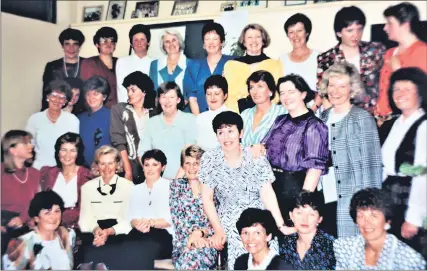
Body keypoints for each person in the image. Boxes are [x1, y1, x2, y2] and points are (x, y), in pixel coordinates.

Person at [199, 111, 294, 270]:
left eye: (231, 131)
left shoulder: (255, 157)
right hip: (229, 216)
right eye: (221, 132)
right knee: (242, 247)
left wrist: (280, 224)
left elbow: (267, 194)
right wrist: (218, 230)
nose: (226, 137)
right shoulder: (210, 159)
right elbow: (207, 198)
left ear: (240, 133)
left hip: (258, 213)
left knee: (268, 244)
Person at [252, 74, 328, 228]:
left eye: (291, 92)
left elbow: (314, 170)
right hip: (271, 188)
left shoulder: (314, 126)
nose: (286, 97)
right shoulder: (280, 120)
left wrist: (302, 206)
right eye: (282, 93)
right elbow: (264, 146)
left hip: (295, 190)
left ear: (303, 94)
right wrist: (258, 148)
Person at [318, 62, 382, 238]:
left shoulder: (362, 119)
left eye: (342, 86)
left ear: (351, 90)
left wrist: (370, 209)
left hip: (352, 199)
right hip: (325, 196)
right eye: (332, 85)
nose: (335, 91)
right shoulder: (322, 117)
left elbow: (373, 166)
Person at [379, 67, 427, 258]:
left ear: (420, 92)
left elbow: (422, 174)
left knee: (412, 256)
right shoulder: (393, 123)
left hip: (412, 201)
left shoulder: (424, 125)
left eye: (407, 89)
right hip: (390, 199)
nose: (400, 94)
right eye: (396, 89)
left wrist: (413, 218)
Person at [317, 6, 386, 115]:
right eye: (350, 30)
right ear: (339, 33)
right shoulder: (327, 59)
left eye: (359, 29)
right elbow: (324, 93)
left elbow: (385, 82)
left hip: (375, 115)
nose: (356, 35)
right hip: (345, 117)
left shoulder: (376, 51)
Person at [334, 188, 426, 270]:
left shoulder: (409, 259)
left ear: (387, 221)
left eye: (373, 215)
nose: (366, 222)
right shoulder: (344, 247)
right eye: (361, 215)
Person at [78, 145, 134, 267]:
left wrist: (110, 231)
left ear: (118, 165)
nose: (107, 168)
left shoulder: (128, 187)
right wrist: (96, 230)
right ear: (97, 166)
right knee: (87, 262)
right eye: (102, 164)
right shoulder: (87, 187)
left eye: (111, 163)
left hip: (118, 233)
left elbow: (129, 220)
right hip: (94, 232)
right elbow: (84, 219)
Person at [376, 2, 427, 123]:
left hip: (409, 120)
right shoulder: (389, 53)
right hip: (385, 121)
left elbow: (422, 93)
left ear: (405, 24)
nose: (385, 28)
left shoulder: (422, 52)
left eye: (389, 23)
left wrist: (399, 71)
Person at [170, 145, 217, 269]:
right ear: (183, 166)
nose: (191, 167)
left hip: (207, 242)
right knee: (188, 261)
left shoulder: (213, 188)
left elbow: (217, 221)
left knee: (191, 262)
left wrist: (201, 234)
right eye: (188, 163)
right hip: (183, 242)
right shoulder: (176, 186)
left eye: (196, 163)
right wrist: (192, 237)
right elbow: (177, 220)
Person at [2, 191, 76, 270]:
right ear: (36, 218)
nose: (54, 217)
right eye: (47, 213)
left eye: (57, 211)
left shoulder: (66, 235)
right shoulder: (24, 243)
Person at [137, 82, 196, 180]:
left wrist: (176, 181)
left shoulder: (189, 119)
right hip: (157, 181)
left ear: (178, 100)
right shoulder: (151, 123)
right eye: (163, 97)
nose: (167, 101)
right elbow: (142, 153)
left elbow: (190, 153)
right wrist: (153, 176)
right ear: (159, 100)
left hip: (184, 180)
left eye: (172, 97)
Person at [223, 24, 282, 113]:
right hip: (237, 117)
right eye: (249, 37)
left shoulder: (274, 65)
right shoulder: (231, 66)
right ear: (243, 41)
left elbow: (277, 95)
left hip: (267, 116)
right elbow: (228, 97)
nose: (254, 40)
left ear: (263, 41)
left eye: (258, 37)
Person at [111, 71, 157, 184]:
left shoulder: (155, 113)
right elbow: (118, 141)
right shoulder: (119, 110)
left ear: (144, 91)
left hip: (152, 169)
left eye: (133, 90)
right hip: (128, 166)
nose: (129, 93)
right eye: (127, 90)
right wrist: (128, 170)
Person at [127, 149, 173, 260]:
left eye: (154, 165)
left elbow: (170, 220)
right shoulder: (135, 189)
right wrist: (138, 224)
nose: (150, 169)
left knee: (146, 248)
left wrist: (150, 222)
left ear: (163, 167)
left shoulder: (171, 187)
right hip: (139, 232)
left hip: (163, 233)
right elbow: (131, 217)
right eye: (146, 165)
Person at [39, 132, 91, 229]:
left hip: (74, 228)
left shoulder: (87, 177)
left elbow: (85, 212)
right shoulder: (47, 173)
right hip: (46, 225)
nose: (67, 155)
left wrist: (57, 219)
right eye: (64, 150)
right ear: (58, 152)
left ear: (78, 153)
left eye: (72, 150)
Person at [26, 79, 79, 170]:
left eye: (62, 97)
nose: (57, 100)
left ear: (65, 101)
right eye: (54, 96)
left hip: (63, 170)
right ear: (47, 97)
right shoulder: (35, 119)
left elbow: (74, 148)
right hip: (39, 169)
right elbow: (27, 145)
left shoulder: (72, 120)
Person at [1, 130, 40, 255]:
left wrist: (24, 218)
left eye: (30, 142)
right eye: (26, 143)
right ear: (13, 150)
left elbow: (35, 204)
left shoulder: (35, 173)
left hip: (25, 223)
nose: (31, 146)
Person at [184, 22, 234, 115]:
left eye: (215, 39)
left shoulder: (232, 63)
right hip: (201, 117)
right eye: (207, 39)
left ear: (222, 42)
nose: (211, 43)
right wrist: (200, 120)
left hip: (228, 119)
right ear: (203, 43)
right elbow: (192, 98)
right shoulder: (193, 66)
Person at [279, 191, 335, 270]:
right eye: (299, 213)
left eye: (311, 214)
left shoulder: (331, 245)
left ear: (319, 219)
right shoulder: (286, 243)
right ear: (291, 215)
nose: (305, 219)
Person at [280, 13, 320, 111]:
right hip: (289, 113)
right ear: (287, 35)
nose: (295, 36)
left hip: (314, 112)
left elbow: (325, 89)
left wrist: (312, 110)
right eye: (291, 32)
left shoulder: (319, 58)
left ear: (306, 33)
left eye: (299, 31)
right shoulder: (281, 60)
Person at [41, 28, 85, 111]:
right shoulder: (52, 67)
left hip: (82, 114)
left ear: (79, 46)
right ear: (62, 46)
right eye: (67, 44)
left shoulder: (89, 64)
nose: (71, 48)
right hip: (57, 113)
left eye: (75, 44)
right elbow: (46, 95)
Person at [241, 71, 287, 147]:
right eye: (251, 87)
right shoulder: (245, 114)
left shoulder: (283, 112)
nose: (255, 92)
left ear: (271, 91)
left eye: (260, 86)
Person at [80, 26, 118, 108]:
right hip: (97, 109)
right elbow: (89, 91)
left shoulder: (120, 62)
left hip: (118, 111)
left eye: (112, 40)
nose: (108, 44)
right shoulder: (89, 63)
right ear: (97, 44)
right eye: (104, 41)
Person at [149, 30, 189, 109]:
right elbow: (152, 92)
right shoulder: (154, 65)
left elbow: (192, 94)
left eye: (174, 40)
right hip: (161, 113)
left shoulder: (191, 64)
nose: (171, 44)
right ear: (163, 46)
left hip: (184, 112)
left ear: (179, 42)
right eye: (167, 42)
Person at [78, 76, 111, 167]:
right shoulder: (80, 118)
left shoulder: (112, 116)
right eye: (88, 94)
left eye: (95, 94)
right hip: (84, 169)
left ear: (104, 96)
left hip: (105, 168)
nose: (91, 97)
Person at [116, 24, 152, 103]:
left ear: (148, 42)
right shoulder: (122, 62)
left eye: (142, 39)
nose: (139, 43)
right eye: (136, 40)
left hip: (149, 109)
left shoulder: (154, 63)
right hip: (127, 109)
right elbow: (120, 88)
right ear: (131, 44)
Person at [196, 75, 229, 150]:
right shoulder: (200, 118)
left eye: (217, 94)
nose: (212, 97)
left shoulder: (232, 116)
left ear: (225, 95)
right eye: (209, 94)